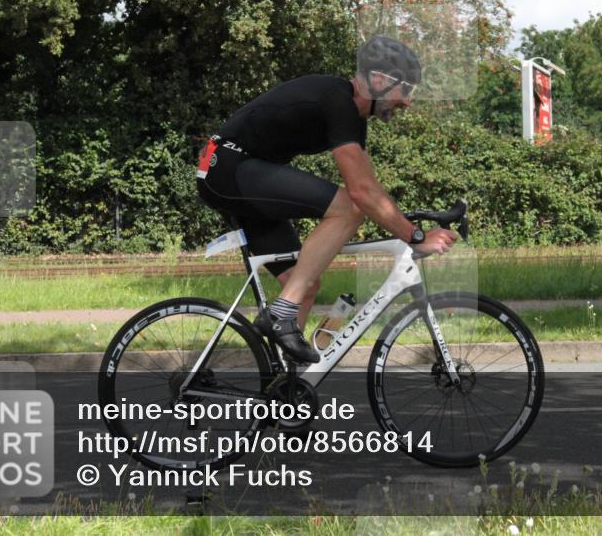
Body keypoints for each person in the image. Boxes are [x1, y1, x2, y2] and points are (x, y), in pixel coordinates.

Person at [196, 36, 459, 363]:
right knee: (348, 210)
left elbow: (371, 188)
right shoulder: (338, 100)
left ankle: (281, 389)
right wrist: (416, 237)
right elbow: (360, 195)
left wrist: (407, 222)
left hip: (241, 172)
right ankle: (280, 314)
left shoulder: (353, 118)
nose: (407, 102)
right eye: (405, 90)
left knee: (304, 284)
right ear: (379, 80)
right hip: (228, 167)